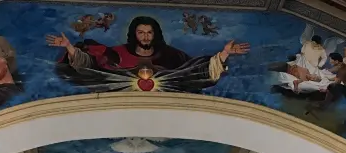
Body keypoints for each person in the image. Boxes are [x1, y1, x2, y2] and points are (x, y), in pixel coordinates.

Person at [46, 16, 249, 93]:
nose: (145, 37)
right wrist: (69, 47)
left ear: (155, 35)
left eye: (149, 32)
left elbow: (194, 72)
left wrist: (224, 53)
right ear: (134, 34)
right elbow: (91, 68)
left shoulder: (171, 56)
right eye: (141, 32)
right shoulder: (116, 54)